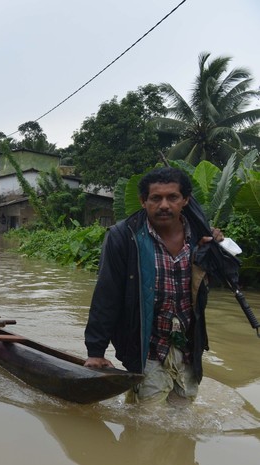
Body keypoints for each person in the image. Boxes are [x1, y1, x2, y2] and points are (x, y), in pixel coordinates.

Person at [84, 167, 223, 405]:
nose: (164, 205)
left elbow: (219, 283)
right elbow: (107, 295)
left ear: (185, 200)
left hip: (188, 346)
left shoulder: (201, 238)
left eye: (172, 197)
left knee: (182, 419)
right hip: (146, 345)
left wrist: (216, 251)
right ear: (143, 201)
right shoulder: (124, 237)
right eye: (156, 198)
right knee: (145, 419)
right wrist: (96, 352)